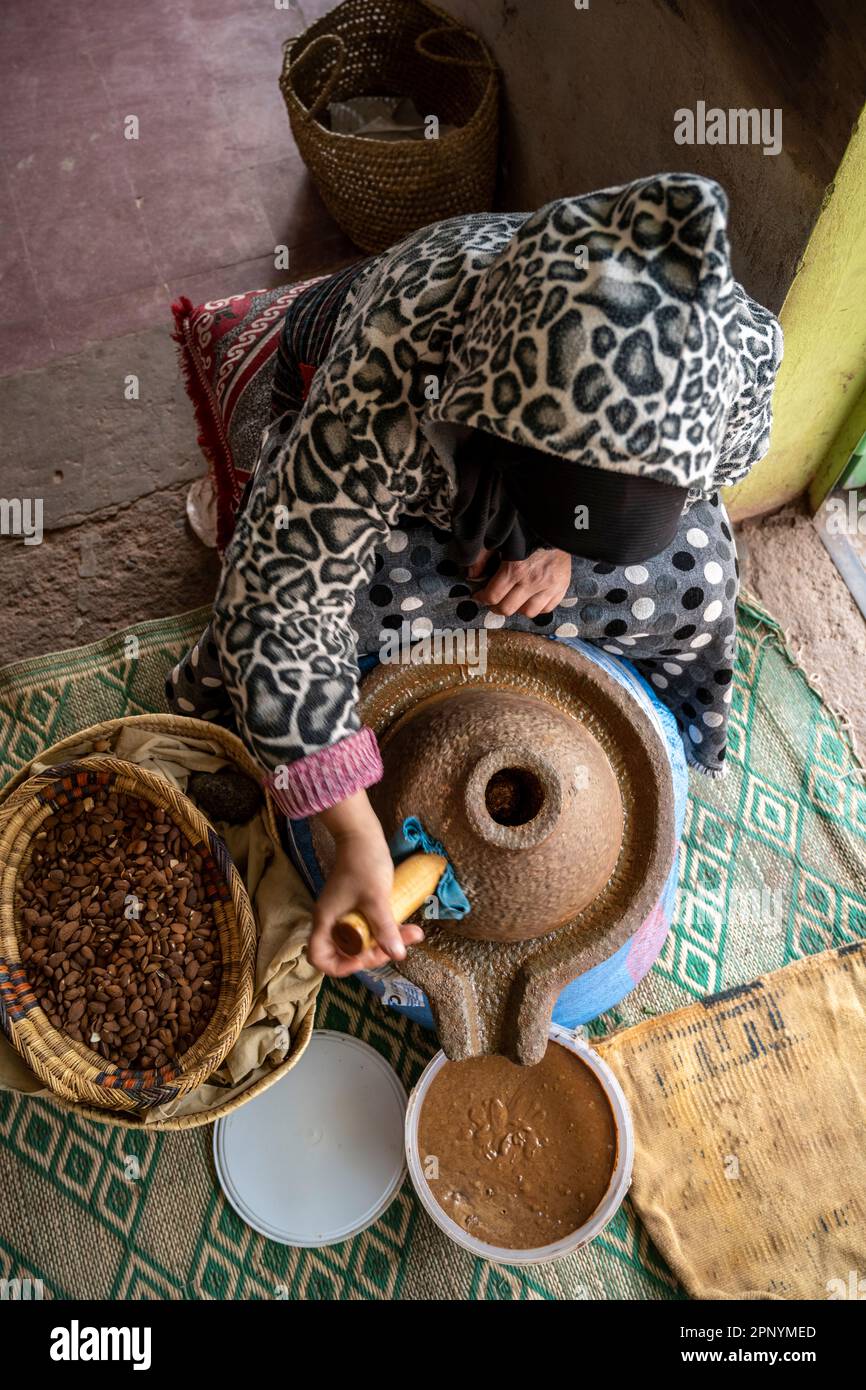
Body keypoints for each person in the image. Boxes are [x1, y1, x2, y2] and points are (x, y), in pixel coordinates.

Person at [165, 171, 782, 978]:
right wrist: (353, 833)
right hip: (374, 420)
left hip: (529, 487)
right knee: (306, 606)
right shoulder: (400, 346)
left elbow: (705, 483)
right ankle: (221, 727)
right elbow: (285, 605)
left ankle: (672, 720)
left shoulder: (739, 352)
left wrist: (567, 547)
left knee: (701, 571)